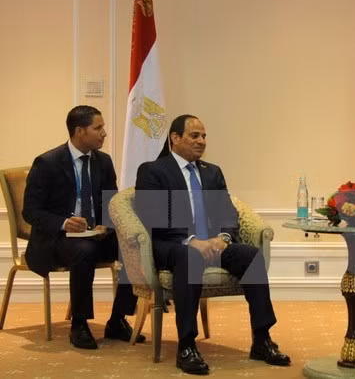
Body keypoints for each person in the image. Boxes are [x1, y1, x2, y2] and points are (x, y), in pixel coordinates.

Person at [135, 114, 290, 375]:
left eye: (204, 136)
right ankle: (187, 346)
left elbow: (228, 212)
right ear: (175, 138)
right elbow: (153, 216)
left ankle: (262, 339)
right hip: (173, 245)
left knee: (251, 256)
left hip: (213, 244)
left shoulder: (212, 172)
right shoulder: (153, 170)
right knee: (189, 257)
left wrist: (224, 238)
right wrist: (192, 241)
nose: (201, 141)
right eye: (194, 135)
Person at [22, 105, 142, 349]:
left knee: (134, 245)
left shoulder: (103, 161)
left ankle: (118, 319)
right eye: (98, 128)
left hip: (95, 234)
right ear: (79, 131)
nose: (104, 133)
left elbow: (111, 202)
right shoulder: (47, 163)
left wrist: (106, 225)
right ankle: (79, 324)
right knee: (84, 251)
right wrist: (65, 223)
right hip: (57, 239)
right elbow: (31, 211)